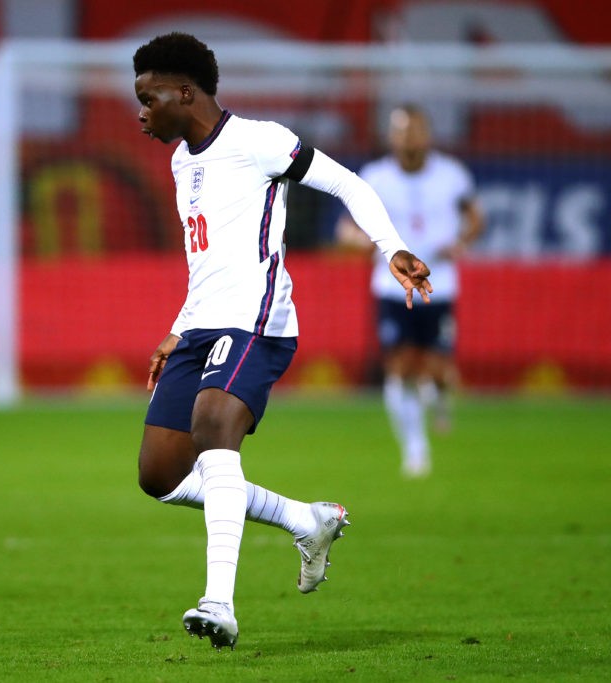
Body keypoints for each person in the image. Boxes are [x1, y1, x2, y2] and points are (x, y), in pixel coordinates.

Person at [132, 33, 433, 651]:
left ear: (184, 92)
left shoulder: (258, 141)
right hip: (203, 323)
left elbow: (348, 183)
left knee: (214, 426)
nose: (141, 112)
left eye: (148, 97)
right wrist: (179, 326)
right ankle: (304, 518)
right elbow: (205, 260)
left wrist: (391, 246)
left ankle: (219, 602)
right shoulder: (181, 161)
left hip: (257, 321)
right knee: (160, 474)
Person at [336, 104, 484, 478]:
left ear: (428, 134)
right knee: (400, 368)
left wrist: (462, 242)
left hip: (440, 284)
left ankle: (438, 394)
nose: (408, 137)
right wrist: (360, 242)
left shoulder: (451, 175)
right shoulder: (374, 177)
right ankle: (415, 450)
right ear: (391, 136)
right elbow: (345, 229)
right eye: (401, 131)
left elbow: (475, 218)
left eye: (415, 130)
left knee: (435, 370)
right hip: (391, 286)